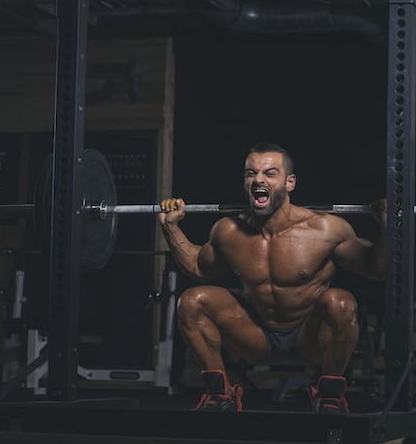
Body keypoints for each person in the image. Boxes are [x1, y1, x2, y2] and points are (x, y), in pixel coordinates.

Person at [158, 141, 387, 413]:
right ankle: (220, 396)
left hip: (309, 337)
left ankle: (330, 398)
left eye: (269, 173)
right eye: (250, 173)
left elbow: (376, 269)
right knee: (191, 301)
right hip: (254, 334)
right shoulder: (229, 231)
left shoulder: (324, 229)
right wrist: (170, 228)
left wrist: (389, 228)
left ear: (290, 183)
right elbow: (198, 268)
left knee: (341, 302)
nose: (258, 180)